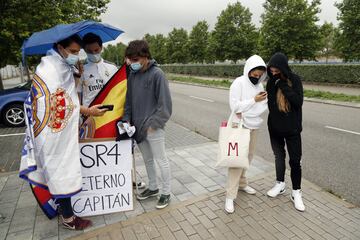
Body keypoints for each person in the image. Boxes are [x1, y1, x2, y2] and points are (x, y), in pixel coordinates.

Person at [19, 34, 92, 230]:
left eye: (79, 52)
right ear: (60, 47)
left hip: (57, 129)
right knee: (61, 169)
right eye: (73, 52)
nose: (76, 56)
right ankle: (68, 219)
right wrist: (87, 110)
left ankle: (61, 207)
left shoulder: (62, 65)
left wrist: (76, 74)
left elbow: (67, 94)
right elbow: (58, 103)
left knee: (58, 168)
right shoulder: (50, 67)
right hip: (52, 132)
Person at [78, 33, 146, 190]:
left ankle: (128, 178)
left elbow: (122, 92)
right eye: (89, 51)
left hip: (113, 116)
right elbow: (78, 96)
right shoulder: (81, 70)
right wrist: (82, 115)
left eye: (96, 50)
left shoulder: (112, 68)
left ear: (101, 48)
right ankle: (101, 181)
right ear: (85, 50)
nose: (93, 54)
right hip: (91, 118)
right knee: (96, 152)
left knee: (120, 149)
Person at [123, 40, 172, 209]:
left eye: (135, 59)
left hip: (153, 128)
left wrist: (153, 125)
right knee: (147, 160)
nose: (132, 63)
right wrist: (126, 120)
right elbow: (128, 101)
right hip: (137, 128)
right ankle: (153, 187)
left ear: (145, 57)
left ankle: (166, 192)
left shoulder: (157, 74)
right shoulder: (133, 75)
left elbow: (165, 106)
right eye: (130, 59)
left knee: (161, 160)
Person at [225, 55, 268, 213]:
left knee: (249, 156)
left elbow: (262, 106)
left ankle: (242, 184)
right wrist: (253, 101)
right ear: (248, 70)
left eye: (259, 76)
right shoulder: (238, 83)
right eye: (254, 75)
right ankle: (230, 196)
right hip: (239, 126)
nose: (256, 78)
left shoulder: (260, 86)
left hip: (254, 125)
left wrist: (259, 102)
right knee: (236, 160)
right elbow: (235, 107)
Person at [266, 52, 305, 212]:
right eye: (272, 71)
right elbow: (271, 106)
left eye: (277, 71)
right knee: (279, 156)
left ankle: (296, 192)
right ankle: (280, 184)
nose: (274, 74)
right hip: (275, 129)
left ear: (283, 69)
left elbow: (297, 102)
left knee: (295, 161)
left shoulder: (294, 80)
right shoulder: (270, 82)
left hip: (292, 129)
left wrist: (281, 84)